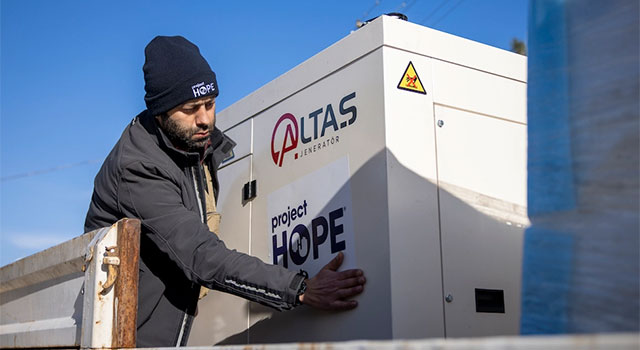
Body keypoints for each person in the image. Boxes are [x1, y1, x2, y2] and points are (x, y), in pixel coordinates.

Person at [84, 36, 366, 347]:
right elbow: (201, 255)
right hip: (129, 337)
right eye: (191, 108)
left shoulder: (193, 145)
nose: (204, 118)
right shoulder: (137, 167)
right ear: (161, 113)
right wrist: (299, 288)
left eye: (210, 103)